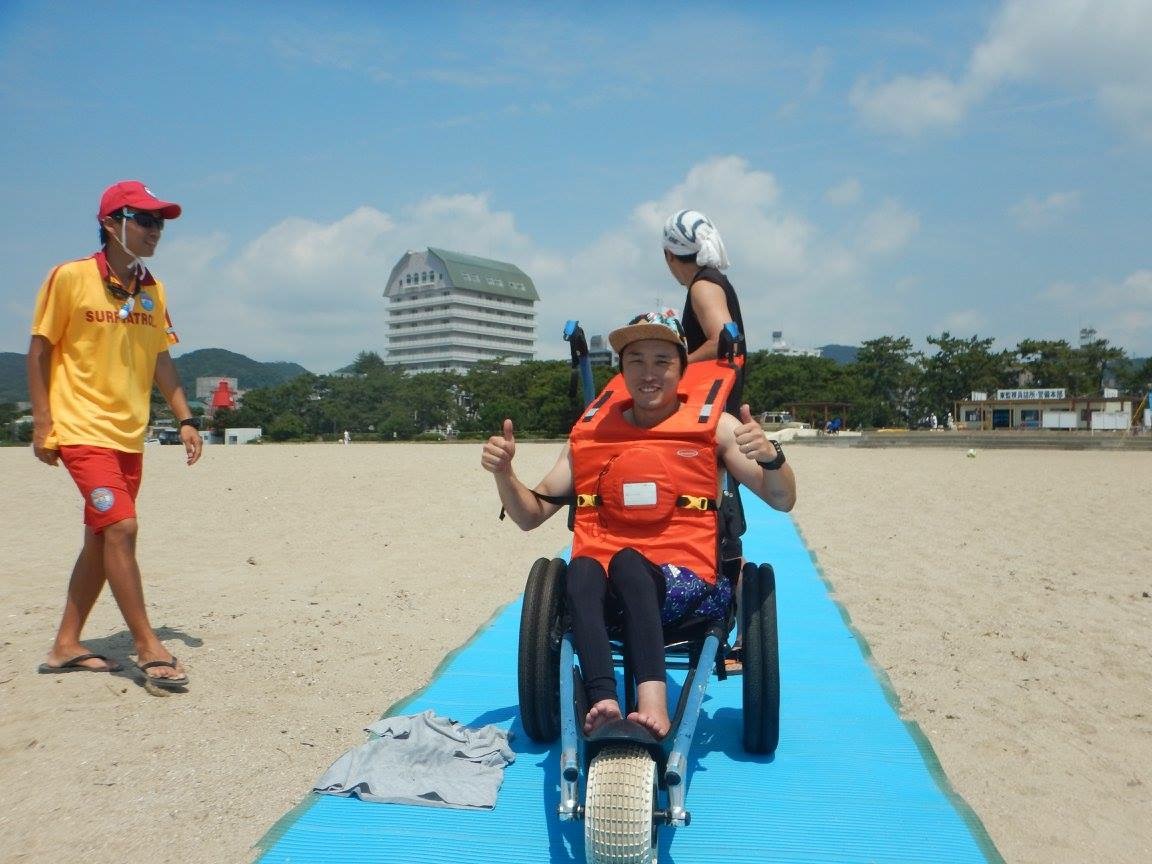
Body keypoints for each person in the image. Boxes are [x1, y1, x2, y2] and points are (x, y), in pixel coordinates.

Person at [482, 311, 796, 739]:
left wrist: (771, 456)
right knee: (585, 568)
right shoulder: (590, 435)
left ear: (682, 369)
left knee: (630, 562)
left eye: (662, 361)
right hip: (605, 593)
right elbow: (530, 514)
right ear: (622, 370)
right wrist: (504, 473)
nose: (649, 373)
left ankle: (653, 703)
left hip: (686, 586)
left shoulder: (717, 428)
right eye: (636, 361)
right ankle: (604, 699)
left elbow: (782, 498)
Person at [27, 180, 202, 689]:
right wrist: (43, 424)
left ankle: (65, 644)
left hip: (130, 435)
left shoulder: (153, 290)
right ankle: (148, 646)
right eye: (144, 220)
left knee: (101, 538)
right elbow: (39, 351)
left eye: (160, 223)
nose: (155, 231)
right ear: (111, 223)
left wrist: (185, 418)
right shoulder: (70, 277)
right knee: (122, 529)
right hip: (82, 429)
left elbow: (160, 359)